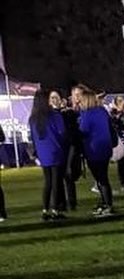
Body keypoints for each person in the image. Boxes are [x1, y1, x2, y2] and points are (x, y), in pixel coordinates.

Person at [29, 87, 68, 221]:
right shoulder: (54, 115)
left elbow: (33, 138)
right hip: (55, 150)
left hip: (43, 153)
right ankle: (55, 210)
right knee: (56, 181)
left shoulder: (33, 119)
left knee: (48, 181)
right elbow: (62, 133)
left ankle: (45, 209)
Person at [77, 88, 117, 217]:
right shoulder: (102, 112)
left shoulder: (87, 114)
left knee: (100, 179)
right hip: (105, 148)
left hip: (93, 149)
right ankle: (106, 203)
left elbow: (83, 131)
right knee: (102, 177)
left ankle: (107, 204)